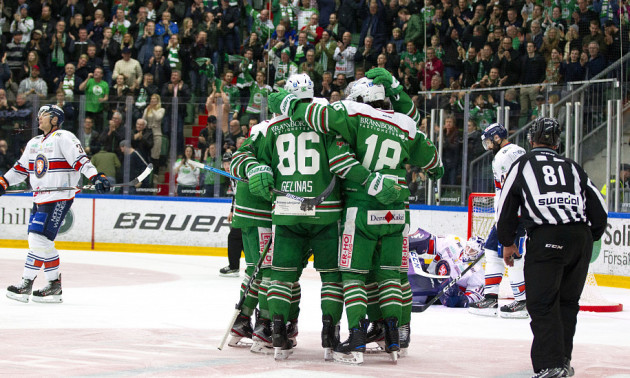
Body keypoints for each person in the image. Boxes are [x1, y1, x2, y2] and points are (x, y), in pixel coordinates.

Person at [268, 73, 443, 364]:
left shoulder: (353, 113)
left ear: (361, 99)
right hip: (397, 211)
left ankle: (358, 340)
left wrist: (284, 102)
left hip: (359, 210)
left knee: (353, 277)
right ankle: (395, 338)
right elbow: (436, 166)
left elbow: (316, 116)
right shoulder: (407, 123)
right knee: (391, 276)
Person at [231, 74, 367, 361]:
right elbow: (344, 162)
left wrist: (255, 169)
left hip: (287, 212)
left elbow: (239, 158)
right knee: (331, 278)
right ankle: (330, 336)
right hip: (327, 212)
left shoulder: (272, 126)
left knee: (281, 277)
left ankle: (278, 334)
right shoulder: (325, 121)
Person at [496, 117, 608, 377]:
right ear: (557, 143)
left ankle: (550, 365)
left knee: (542, 304)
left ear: (531, 140)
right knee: (567, 303)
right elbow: (599, 209)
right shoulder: (572, 166)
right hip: (580, 238)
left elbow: (507, 205)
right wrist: (587, 238)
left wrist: (507, 242)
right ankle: (562, 360)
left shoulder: (522, 164)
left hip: (547, 237)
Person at [2, 105, 111, 303]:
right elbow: (20, 168)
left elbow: (80, 160)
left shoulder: (64, 137)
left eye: (43, 115)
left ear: (54, 119)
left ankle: (26, 282)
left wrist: (96, 176)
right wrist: (4, 181)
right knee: (43, 242)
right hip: (39, 198)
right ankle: (54, 285)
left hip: (58, 197)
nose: (39, 118)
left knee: (37, 238)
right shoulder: (34, 142)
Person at [469, 123, 529, 319]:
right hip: (509, 215)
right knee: (492, 251)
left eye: (488, 141)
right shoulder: (516, 151)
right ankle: (491, 298)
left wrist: (506, 218)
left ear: (496, 138)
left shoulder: (503, 157)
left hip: (514, 216)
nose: (487, 146)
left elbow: (508, 191)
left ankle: (522, 302)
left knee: (514, 257)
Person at [407, 228, 485, 308]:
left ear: (479, 254)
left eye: (472, 251)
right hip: (428, 273)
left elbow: (474, 296)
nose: (468, 252)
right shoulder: (455, 241)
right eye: (468, 247)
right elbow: (430, 242)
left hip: (438, 293)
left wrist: (459, 300)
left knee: (412, 295)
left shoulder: (477, 272)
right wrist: (415, 241)